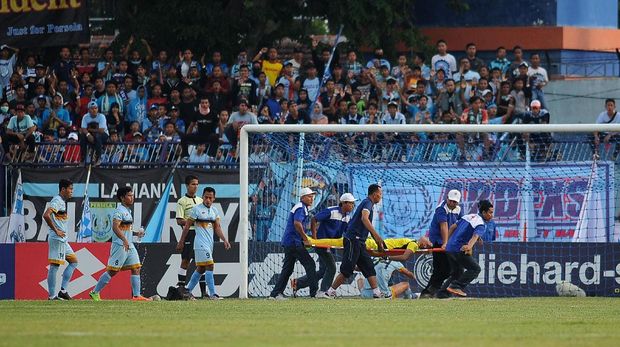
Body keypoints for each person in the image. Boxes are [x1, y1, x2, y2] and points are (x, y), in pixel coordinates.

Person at [325, 184, 385, 299]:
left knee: (368, 266)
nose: (380, 196)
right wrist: (376, 236)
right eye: (380, 194)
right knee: (347, 269)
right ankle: (330, 292)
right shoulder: (368, 202)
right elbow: (364, 218)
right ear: (374, 194)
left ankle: (377, 293)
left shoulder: (368, 203)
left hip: (359, 241)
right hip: (354, 239)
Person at [89, 187, 150, 301]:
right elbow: (115, 227)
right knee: (112, 271)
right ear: (122, 198)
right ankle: (94, 292)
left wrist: (136, 233)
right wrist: (124, 240)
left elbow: (125, 229)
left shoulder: (127, 211)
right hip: (120, 245)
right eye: (129, 195)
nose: (132, 198)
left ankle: (136, 296)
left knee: (136, 267)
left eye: (132, 195)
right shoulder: (119, 211)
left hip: (128, 244)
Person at [292, 193, 356, 298]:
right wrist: (315, 238)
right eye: (351, 203)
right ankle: (323, 292)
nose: (353, 206)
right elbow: (314, 219)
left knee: (323, 271)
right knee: (332, 267)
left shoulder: (347, 217)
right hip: (322, 245)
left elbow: (348, 231)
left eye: (353, 204)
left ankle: (298, 283)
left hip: (331, 246)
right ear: (344, 203)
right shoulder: (331, 211)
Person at [178, 187, 231, 299]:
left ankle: (187, 291)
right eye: (206, 197)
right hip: (199, 243)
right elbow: (187, 226)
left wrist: (225, 240)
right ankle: (213, 294)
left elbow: (217, 228)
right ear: (202, 197)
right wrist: (181, 241)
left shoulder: (214, 211)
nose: (207, 200)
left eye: (210, 198)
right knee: (210, 265)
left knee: (201, 269)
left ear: (214, 198)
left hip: (209, 244)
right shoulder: (196, 210)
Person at [269, 188, 318, 299]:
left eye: (312, 196)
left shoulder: (301, 207)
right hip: (294, 242)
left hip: (290, 242)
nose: (312, 199)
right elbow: (297, 223)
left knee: (288, 269)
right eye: (309, 196)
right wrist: (305, 238)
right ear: (302, 197)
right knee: (310, 264)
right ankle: (314, 293)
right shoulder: (301, 208)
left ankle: (275, 294)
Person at [442, 200, 494, 297]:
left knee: (457, 273)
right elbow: (474, 236)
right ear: (483, 212)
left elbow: (453, 227)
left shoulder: (468, 216)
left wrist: (446, 242)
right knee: (475, 269)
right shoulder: (481, 224)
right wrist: (469, 246)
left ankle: (441, 294)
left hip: (449, 248)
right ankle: (456, 286)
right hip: (459, 249)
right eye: (490, 212)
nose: (492, 215)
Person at [420, 189, 463, 299]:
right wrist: (445, 243)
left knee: (445, 269)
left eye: (455, 202)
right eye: (451, 201)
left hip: (449, 242)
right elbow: (443, 226)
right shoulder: (441, 208)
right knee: (443, 269)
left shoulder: (459, 209)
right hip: (438, 241)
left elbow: (459, 225)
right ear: (447, 199)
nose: (453, 203)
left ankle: (430, 291)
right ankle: (433, 291)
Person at [43, 179, 78, 300]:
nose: (71, 191)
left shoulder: (61, 202)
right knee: (54, 266)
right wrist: (56, 230)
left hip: (63, 240)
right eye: (70, 189)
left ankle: (63, 290)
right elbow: (46, 215)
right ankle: (52, 296)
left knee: (74, 261)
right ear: (63, 189)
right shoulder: (57, 200)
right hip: (57, 238)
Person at [174, 175, 207, 297]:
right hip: (189, 233)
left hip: (201, 234)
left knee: (202, 263)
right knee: (186, 261)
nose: (196, 186)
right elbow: (179, 220)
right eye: (193, 184)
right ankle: (181, 288)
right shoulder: (182, 201)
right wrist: (193, 222)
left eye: (197, 184)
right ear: (187, 186)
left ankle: (204, 293)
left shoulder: (200, 201)